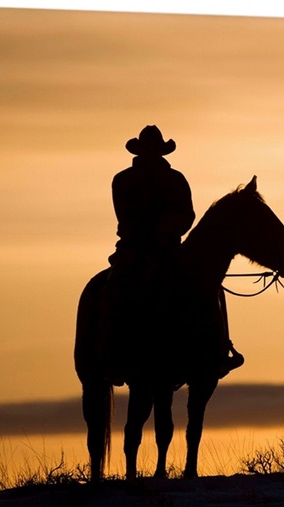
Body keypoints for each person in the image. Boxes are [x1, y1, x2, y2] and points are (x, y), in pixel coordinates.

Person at [104, 125, 242, 385]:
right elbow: (124, 214)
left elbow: (187, 214)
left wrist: (170, 229)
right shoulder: (123, 180)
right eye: (149, 150)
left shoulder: (175, 179)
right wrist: (149, 232)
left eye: (156, 150)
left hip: (169, 247)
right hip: (134, 248)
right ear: (142, 151)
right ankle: (114, 354)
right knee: (116, 287)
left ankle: (217, 348)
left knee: (210, 288)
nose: (152, 154)